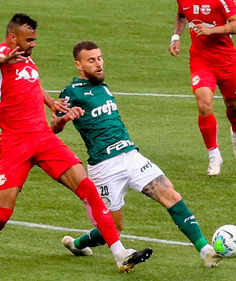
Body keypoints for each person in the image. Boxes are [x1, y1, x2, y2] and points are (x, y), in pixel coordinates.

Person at [0, 13, 152, 273]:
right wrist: (7, 58)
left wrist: (51, 103)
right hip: (15, 144)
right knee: (0, 218)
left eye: (34, 39)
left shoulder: (27, 58)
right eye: (28, 39)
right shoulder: (1, 52)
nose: (33, 43)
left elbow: (32, 83)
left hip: (43, 138)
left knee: (88, 189)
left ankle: (121, 254)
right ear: (13, 38)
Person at [50, 40, 222, 268]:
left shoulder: (104, 87)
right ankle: (77, 244)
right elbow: (53, 125)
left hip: (131, 156)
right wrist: (64, 118)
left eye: (100, 58)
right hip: (104, 166)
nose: (99, 64)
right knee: (113, 227)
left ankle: (205, 250)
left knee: (172, 196)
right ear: (79, 65)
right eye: (91, 61)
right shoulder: (71, 91)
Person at [168, 0, 236, 176]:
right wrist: (176, 37)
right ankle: (214, 154)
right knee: (204, 104)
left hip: (227, 61)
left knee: (233, 106)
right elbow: (182, 15)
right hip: (200, 60)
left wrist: (211, 30)